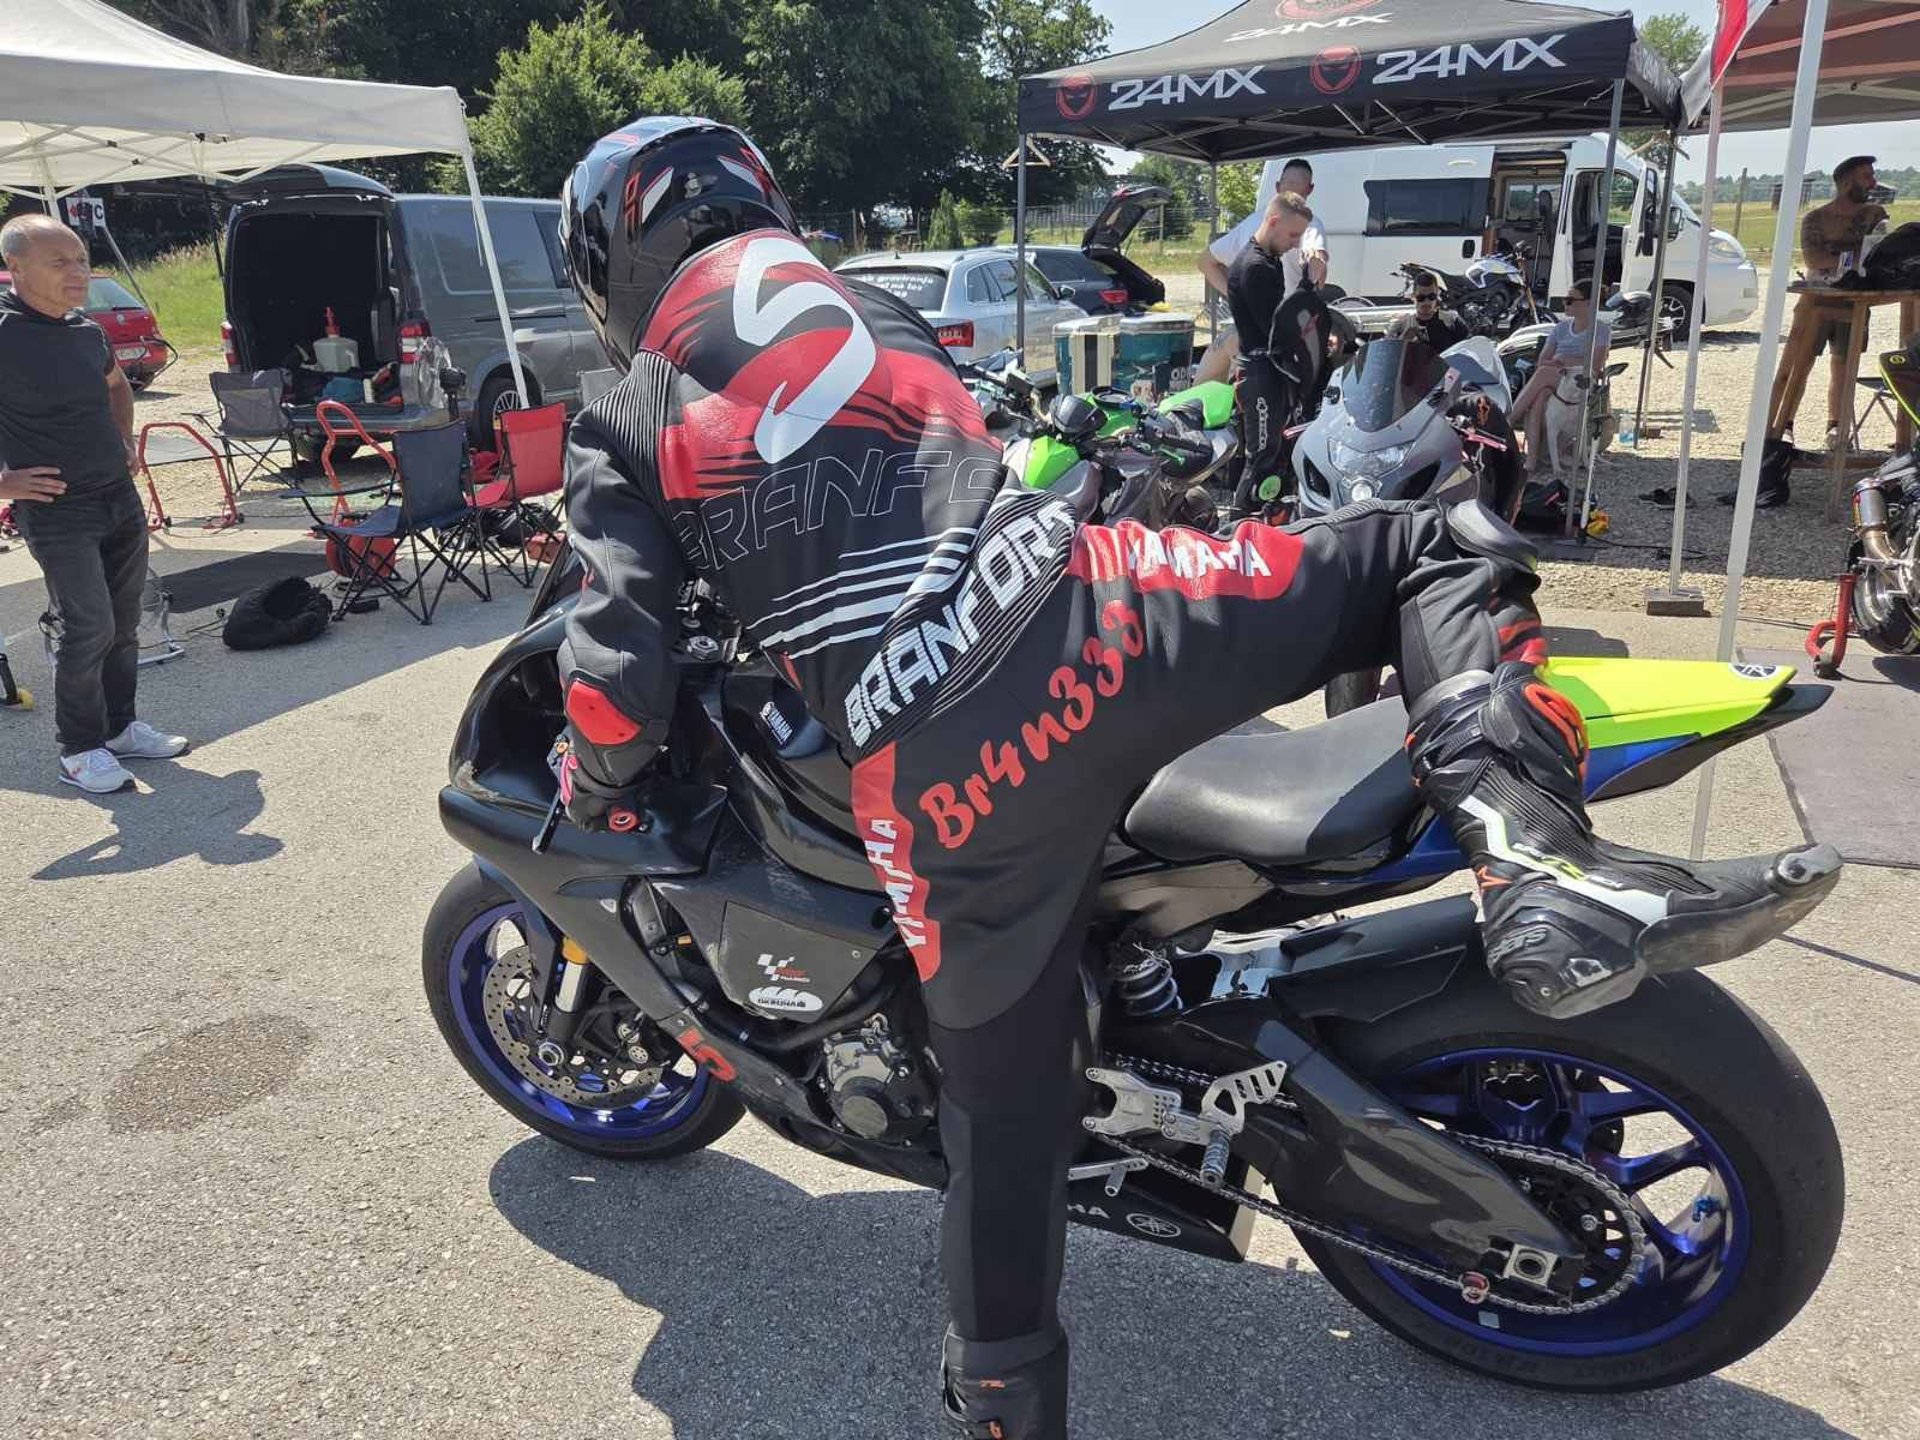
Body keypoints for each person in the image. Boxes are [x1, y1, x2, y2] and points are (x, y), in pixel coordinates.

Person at [551, 117, 1828, 1439]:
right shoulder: (865, 305)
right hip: (1103, 615)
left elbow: (615, 679)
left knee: (1002, 1120)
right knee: (1427, 544)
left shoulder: (627, 408)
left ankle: (1002, 1407)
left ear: (612, 261)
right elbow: (949, 459)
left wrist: (595, 785)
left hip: (944, 772)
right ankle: (1535, 865)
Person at [0, 214, 186, 792]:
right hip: (58, 509)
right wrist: (3, 483)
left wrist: (124, 439)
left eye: (81, 259)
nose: (77, 271)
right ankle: (79, 750)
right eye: (59, 262)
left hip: (117, 497)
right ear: (14, 267)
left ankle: (119, 727)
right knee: (89, 625)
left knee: (125, 621)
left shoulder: (87, 330)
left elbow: (116, 385)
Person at [1757, 155, 1890, 504]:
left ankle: (1837, 427)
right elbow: (1815, 260)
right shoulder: (1815, 218)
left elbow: (1878, 255)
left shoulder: (1874, 214)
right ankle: (1779, 428)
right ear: (1846, 181)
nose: (1873, 182)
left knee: (1844, 367)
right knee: (1795, 367)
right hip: (1815, 300)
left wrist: (1849, 259)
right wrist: (1852, 259)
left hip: (1854, 301)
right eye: (1866, 176)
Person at [1195, 157, 1328, 384]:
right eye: (1292, 237)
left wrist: (1238, 298)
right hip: (1272, 344)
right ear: (1310, 189)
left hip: (1246, 336)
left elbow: (1206, 262)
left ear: (1277, 187)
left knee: (1200, 391)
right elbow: (1318, 264)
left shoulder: (1254, 225)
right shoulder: (1309, 224)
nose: (1295, 242)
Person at [1225, 190, 1316, 513]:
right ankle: (1237, 523)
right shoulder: (1255, 267)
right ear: (1274, 222)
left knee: (1274, 452)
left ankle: (1267, 517)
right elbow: (1278, 330)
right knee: (1261, 457)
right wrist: (1307, 286)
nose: (1296, 243)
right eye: (1293, 235)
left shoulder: (1269, 260)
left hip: (1268, 370)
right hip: (1259, 373)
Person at [1508, 278, 1610, 481]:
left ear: (1588, 303)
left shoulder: (1601, 330)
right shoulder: (1561, 328)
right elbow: (1542, 360)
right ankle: (1532, 459)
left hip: (1580, 379)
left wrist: (1563, 360)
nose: (1565, 303)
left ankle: (1508, 421)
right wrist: (1563, 362)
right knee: (1540, 396)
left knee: (1543, 375)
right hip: (1557, 377)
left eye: (1570, 300)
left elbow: (1595, 366)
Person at [1402, 270, 1472, 351]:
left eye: (1431, 297)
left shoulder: (1452, 322)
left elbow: (1468, 349)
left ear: (1437, 295)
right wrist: (1404, 340)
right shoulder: (1402, 324)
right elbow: (1391, 353)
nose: (1427, 302)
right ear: (1413, 296)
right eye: (1421, 298)